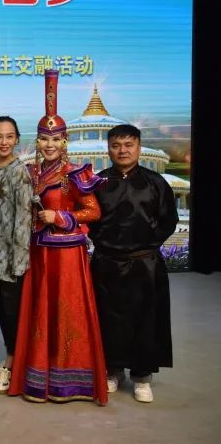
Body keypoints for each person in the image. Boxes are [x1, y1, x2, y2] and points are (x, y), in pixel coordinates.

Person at [8, 70, 108, 405]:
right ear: (37, 141)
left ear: (64, 141)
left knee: (65, 313)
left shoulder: (75, 173)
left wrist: (61, 217)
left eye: (55, 139)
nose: (49, 145)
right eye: (43, 139)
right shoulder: (32, 172)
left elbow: (93, 211)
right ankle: (38, 379)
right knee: (40, 313)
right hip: (39, 254)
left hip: (66, 257)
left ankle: (69, 381)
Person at [88, 124, 178, 403]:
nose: (122, 151)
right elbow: (90, 220)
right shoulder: (98, 182)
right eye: (116, 145)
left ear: (138, 147)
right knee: (108, 318)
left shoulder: (156, 182)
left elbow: (168, 221)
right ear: (108, 149)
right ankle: (113, 371)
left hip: (144, 263)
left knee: (145, 319)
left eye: (128, 145)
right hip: (106, 262)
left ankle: (142, 376)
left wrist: (145, 245)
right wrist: (106, 243)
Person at [0, 116, 32, 394]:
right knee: (2, 311)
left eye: (9, 136)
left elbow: (24, 219)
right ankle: (10, 357)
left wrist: (19, 262)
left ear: (16, 140)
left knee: (13, 313)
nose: (4, 142)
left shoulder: (20, 172)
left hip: (12, 259)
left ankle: (13, 364)